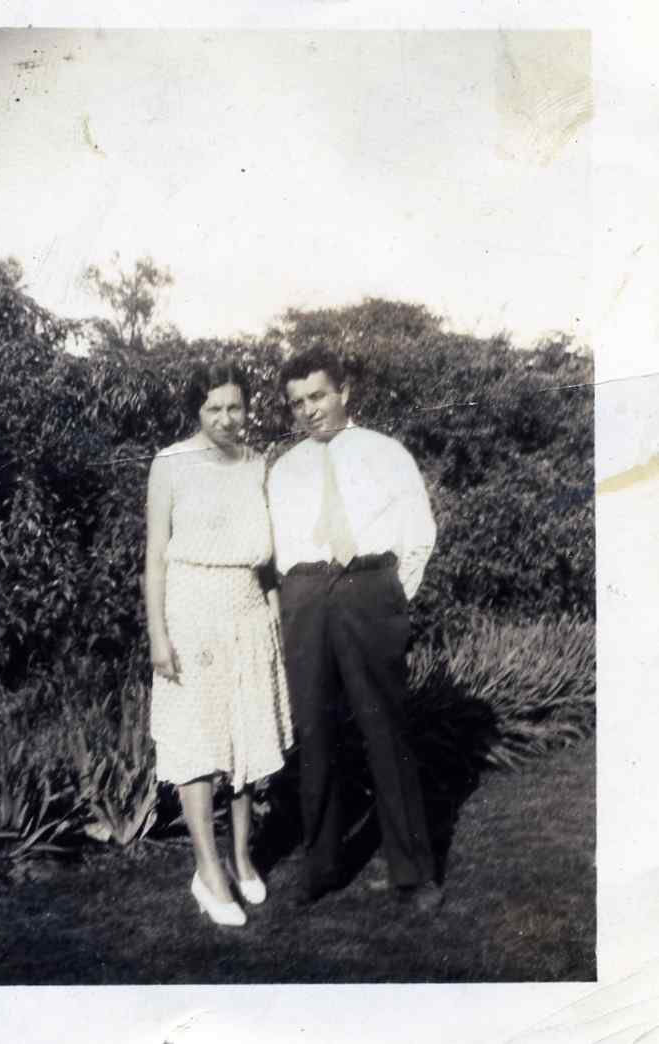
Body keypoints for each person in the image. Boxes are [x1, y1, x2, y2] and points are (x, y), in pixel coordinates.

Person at [267, 344, 441, 911]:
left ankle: (413, 873)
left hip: (369, 588)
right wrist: (300, 597)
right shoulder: (283, 470)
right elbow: (278, 550)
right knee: (313, 733)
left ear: (344, 392)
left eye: (318, 396)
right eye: (297, 402)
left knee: (385, 730)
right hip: (306, 595)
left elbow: (418, 534)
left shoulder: (386, 453)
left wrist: (388, 595)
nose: (309, 410)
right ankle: (322, 866)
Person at [145, 361, 293, 927]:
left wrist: (275, 616)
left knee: (245, 737)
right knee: (199, 741)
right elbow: (154, 558)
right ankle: (208, 872)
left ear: (247, 409)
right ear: (197, 411)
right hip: (191, 610)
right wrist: (158, 635)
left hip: (248, 610)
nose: (226, 418)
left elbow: (267, 558)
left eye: (235, 407)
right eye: (214, 408)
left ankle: (242, 857)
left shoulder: (257, 463)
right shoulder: (171, 463)